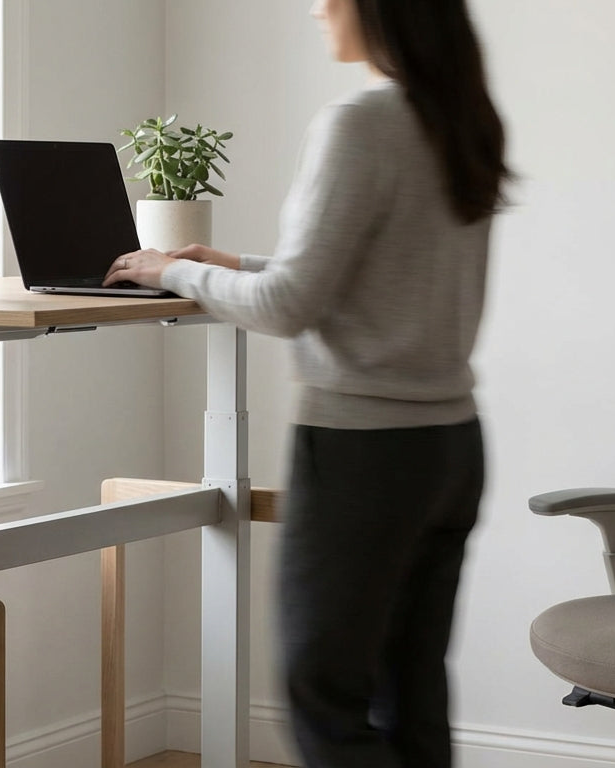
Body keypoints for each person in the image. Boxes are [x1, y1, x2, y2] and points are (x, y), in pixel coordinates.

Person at [105, 0, 509, 765]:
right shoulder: (461, 121)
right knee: (411, 691)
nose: (319, 7)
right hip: (450, 446)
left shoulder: (360, 124)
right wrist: (228, 266)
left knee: (322, 693)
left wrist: (169, 269)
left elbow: (291, 308)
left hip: (365, 453)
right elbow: (364, 278)